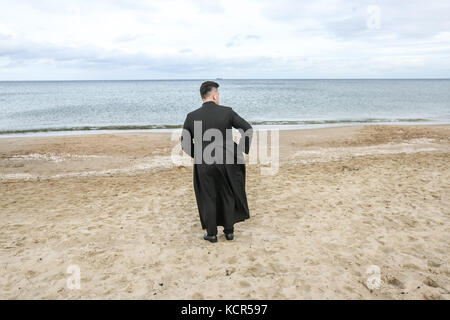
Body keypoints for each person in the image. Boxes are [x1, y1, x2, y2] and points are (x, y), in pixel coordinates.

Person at [181, 81, 253, 243]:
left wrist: (198, 155)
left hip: (204, 162)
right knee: (227, 194)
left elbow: (185, 143)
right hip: (227, 160)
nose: (219, 97)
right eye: (218, 94)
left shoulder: (192, 116)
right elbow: (247, 128)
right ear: (214, 95)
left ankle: (212, 234)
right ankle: (229, 232)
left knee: (208, 196)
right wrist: (240, 150)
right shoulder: (227, 112)